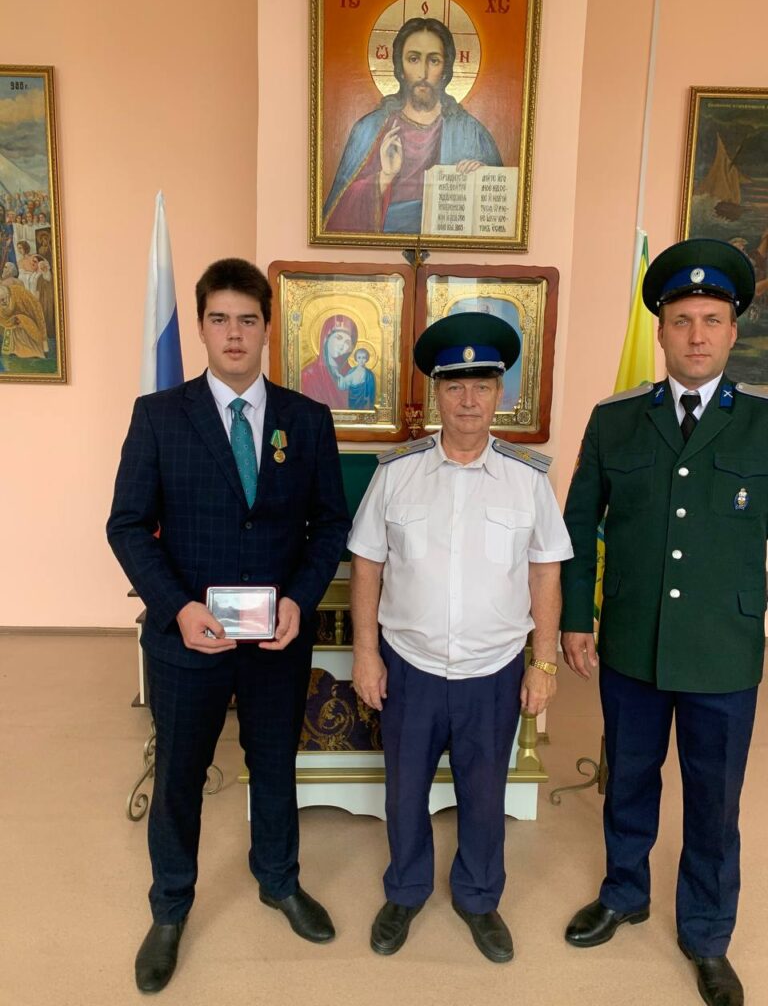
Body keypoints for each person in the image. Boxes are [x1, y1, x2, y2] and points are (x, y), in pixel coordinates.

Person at [107, 258, 350, 994]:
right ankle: (170, 907)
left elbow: (329, 525)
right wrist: (178, 607)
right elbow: (126, 525)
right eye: (219, 319)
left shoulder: (307, 420)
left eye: (248, 319)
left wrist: (300, 599)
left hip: (276, 641)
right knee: (180, 774)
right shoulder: (159, 415)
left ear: (268, 328)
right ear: (202, 326)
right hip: (189, 641)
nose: (234, 333)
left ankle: (278, 880)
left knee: (274, 764)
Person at [560, 238, 764, 1006]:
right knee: (629, 778)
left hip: (723, 649)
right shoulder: (616, 421)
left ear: (733, 331)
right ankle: (624, 893)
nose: (697, 336)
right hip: (631, 642)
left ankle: (707, 935)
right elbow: (578, 527)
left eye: (711, 320)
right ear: (661, 331)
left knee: (714, 802)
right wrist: (574, 618)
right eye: (683, 321)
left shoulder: (763, 423)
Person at [348, 312, 572, 962]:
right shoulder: (397, 472)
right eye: (455, 386)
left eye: (482, 385)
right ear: (436, 394)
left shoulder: (528, 478)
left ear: (500, 393)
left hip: (493, 670)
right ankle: (406, 890)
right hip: (410, 666)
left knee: (484, 794)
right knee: (403, 791)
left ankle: (478, 898)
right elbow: (366, 564)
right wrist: (366, 653)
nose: (469, 400)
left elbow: (546, 572)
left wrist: (544, 663)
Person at [323, 17, 502, 235]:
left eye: (434, 60)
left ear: (446, 68)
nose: (422, 74)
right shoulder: (368, 129)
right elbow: (335, 222)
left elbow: (499, 214)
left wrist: (483, 181)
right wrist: (384, 177)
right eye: (413, 59)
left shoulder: (472, 134)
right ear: (400, 67)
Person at [300, 313, 357, 409]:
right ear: (326, 338)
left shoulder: (353, 376)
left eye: (347, 342)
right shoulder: (308, 375)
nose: (342, 345)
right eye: (339, 338)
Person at [0, 280, 47, 358]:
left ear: (8, 295)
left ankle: (33, 352)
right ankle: (14, 350)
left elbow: (35, 309)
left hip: (28, 321)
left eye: (3, 299)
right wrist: (12, 320)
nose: (2, 303)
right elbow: (3, 318)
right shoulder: (2, 300)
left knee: (22, 320)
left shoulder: (19, 293)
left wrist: (22, 319)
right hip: (13, 325)